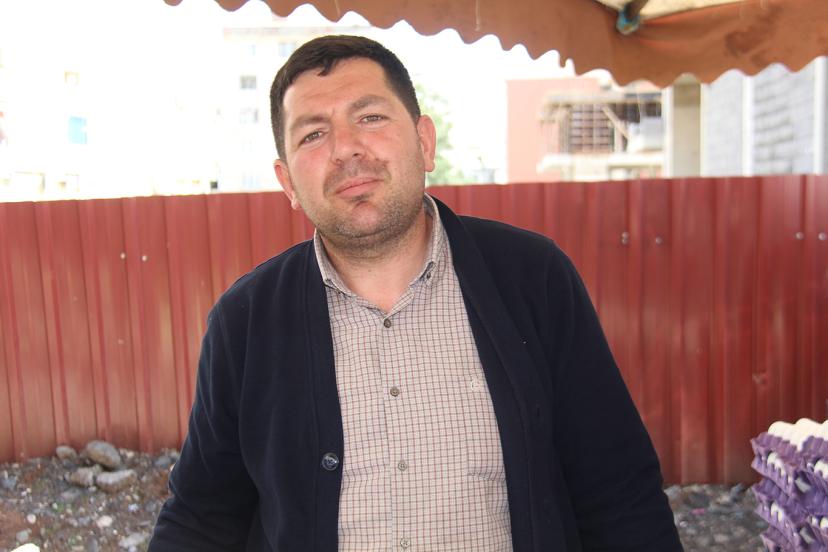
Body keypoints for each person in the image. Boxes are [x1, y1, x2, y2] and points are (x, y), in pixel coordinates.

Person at [149, 35, 682, 551]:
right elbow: (202, 515)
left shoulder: (533, 279)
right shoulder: (244, 322)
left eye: (370, 117)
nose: (345, 148)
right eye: (313, 134)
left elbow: (618, 491)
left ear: (424, 142)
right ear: (287, 181)